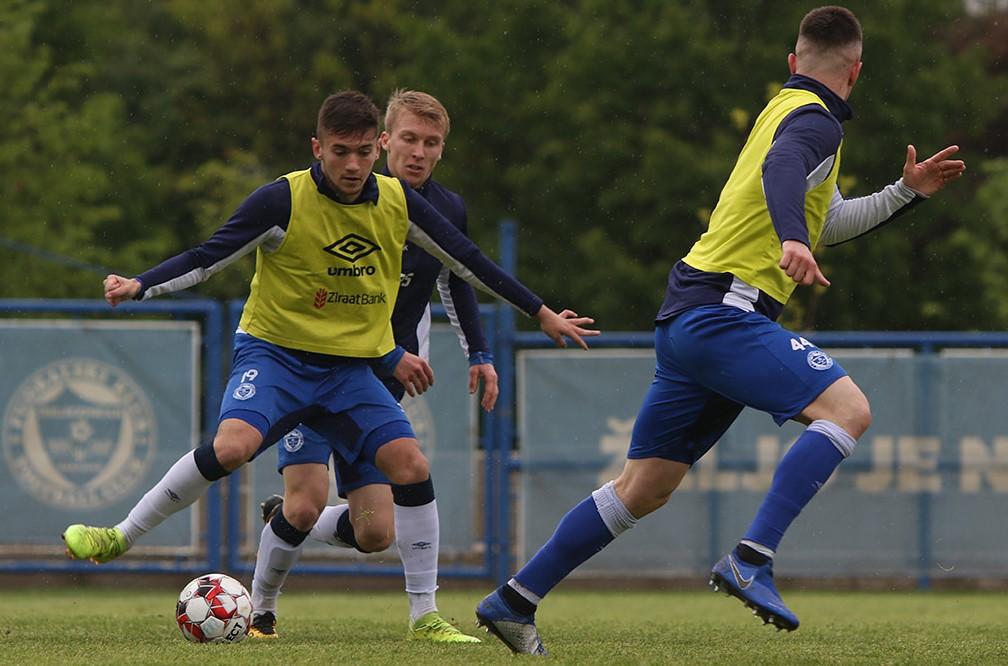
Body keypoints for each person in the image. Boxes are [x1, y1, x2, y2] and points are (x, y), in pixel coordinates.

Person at [474, 5, 965, 655]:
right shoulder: (814, 123)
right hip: (723, 312)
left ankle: (514, 599)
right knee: (848, 410)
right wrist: (792, 236)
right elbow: (784, 174)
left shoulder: (783, 109)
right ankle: (752, 558)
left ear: (793, 64)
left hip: (688, 318)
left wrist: (905, 192)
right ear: (857, 71)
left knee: (643, 487)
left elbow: (829, 217)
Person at [61, 90, 598, 622]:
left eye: (363, 152)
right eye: (343, 151)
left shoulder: (400, 202)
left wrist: (540, 312)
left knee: (387, 507)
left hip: (352, 371)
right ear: (317, 148)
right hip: (279, 358)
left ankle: (426, 617)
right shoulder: (281, 200)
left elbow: (467, 263)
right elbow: (207, 257)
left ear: (376, 148)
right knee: (235, 451)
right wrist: (141, 285)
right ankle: (123, 536)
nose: (354, 164)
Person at [247, 90, 498, 642]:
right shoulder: (345, 199)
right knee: (309, 498)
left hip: (382, 379)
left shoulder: (445, 211)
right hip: (316, 368)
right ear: (384, 141)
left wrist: (479, 354)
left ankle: (289, 521)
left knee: (375, 533)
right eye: (408, 138)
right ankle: (260, 610)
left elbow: (458, 278)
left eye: (431, 143)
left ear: (441, 151)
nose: (418, 152)